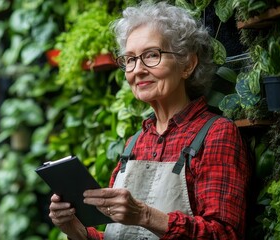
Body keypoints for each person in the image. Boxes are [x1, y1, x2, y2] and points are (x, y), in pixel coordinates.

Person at [48, 2, 250, 239]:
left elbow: (224, 234)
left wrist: (144, 215)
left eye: (152, 55)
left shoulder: (216, 134)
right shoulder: (135, 143)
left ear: (187, 64)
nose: (138, 69)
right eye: (130, 59)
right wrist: (77, 231)